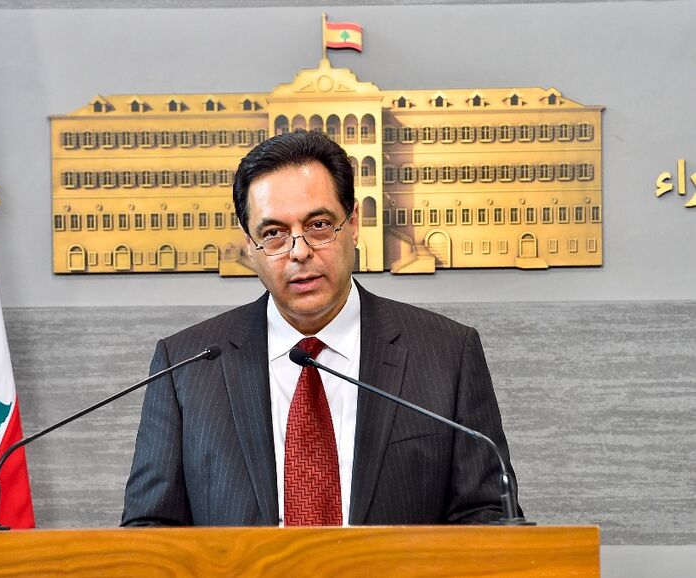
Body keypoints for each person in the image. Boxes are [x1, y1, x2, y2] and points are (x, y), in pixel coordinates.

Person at [122, 129, 521, 526]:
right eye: (273, 234)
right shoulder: (187, 366)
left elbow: (486, 516)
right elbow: (150, 529)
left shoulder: (447, 354)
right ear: (250, 247)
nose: (299, 252)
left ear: (353, 224)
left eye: (318, 225)